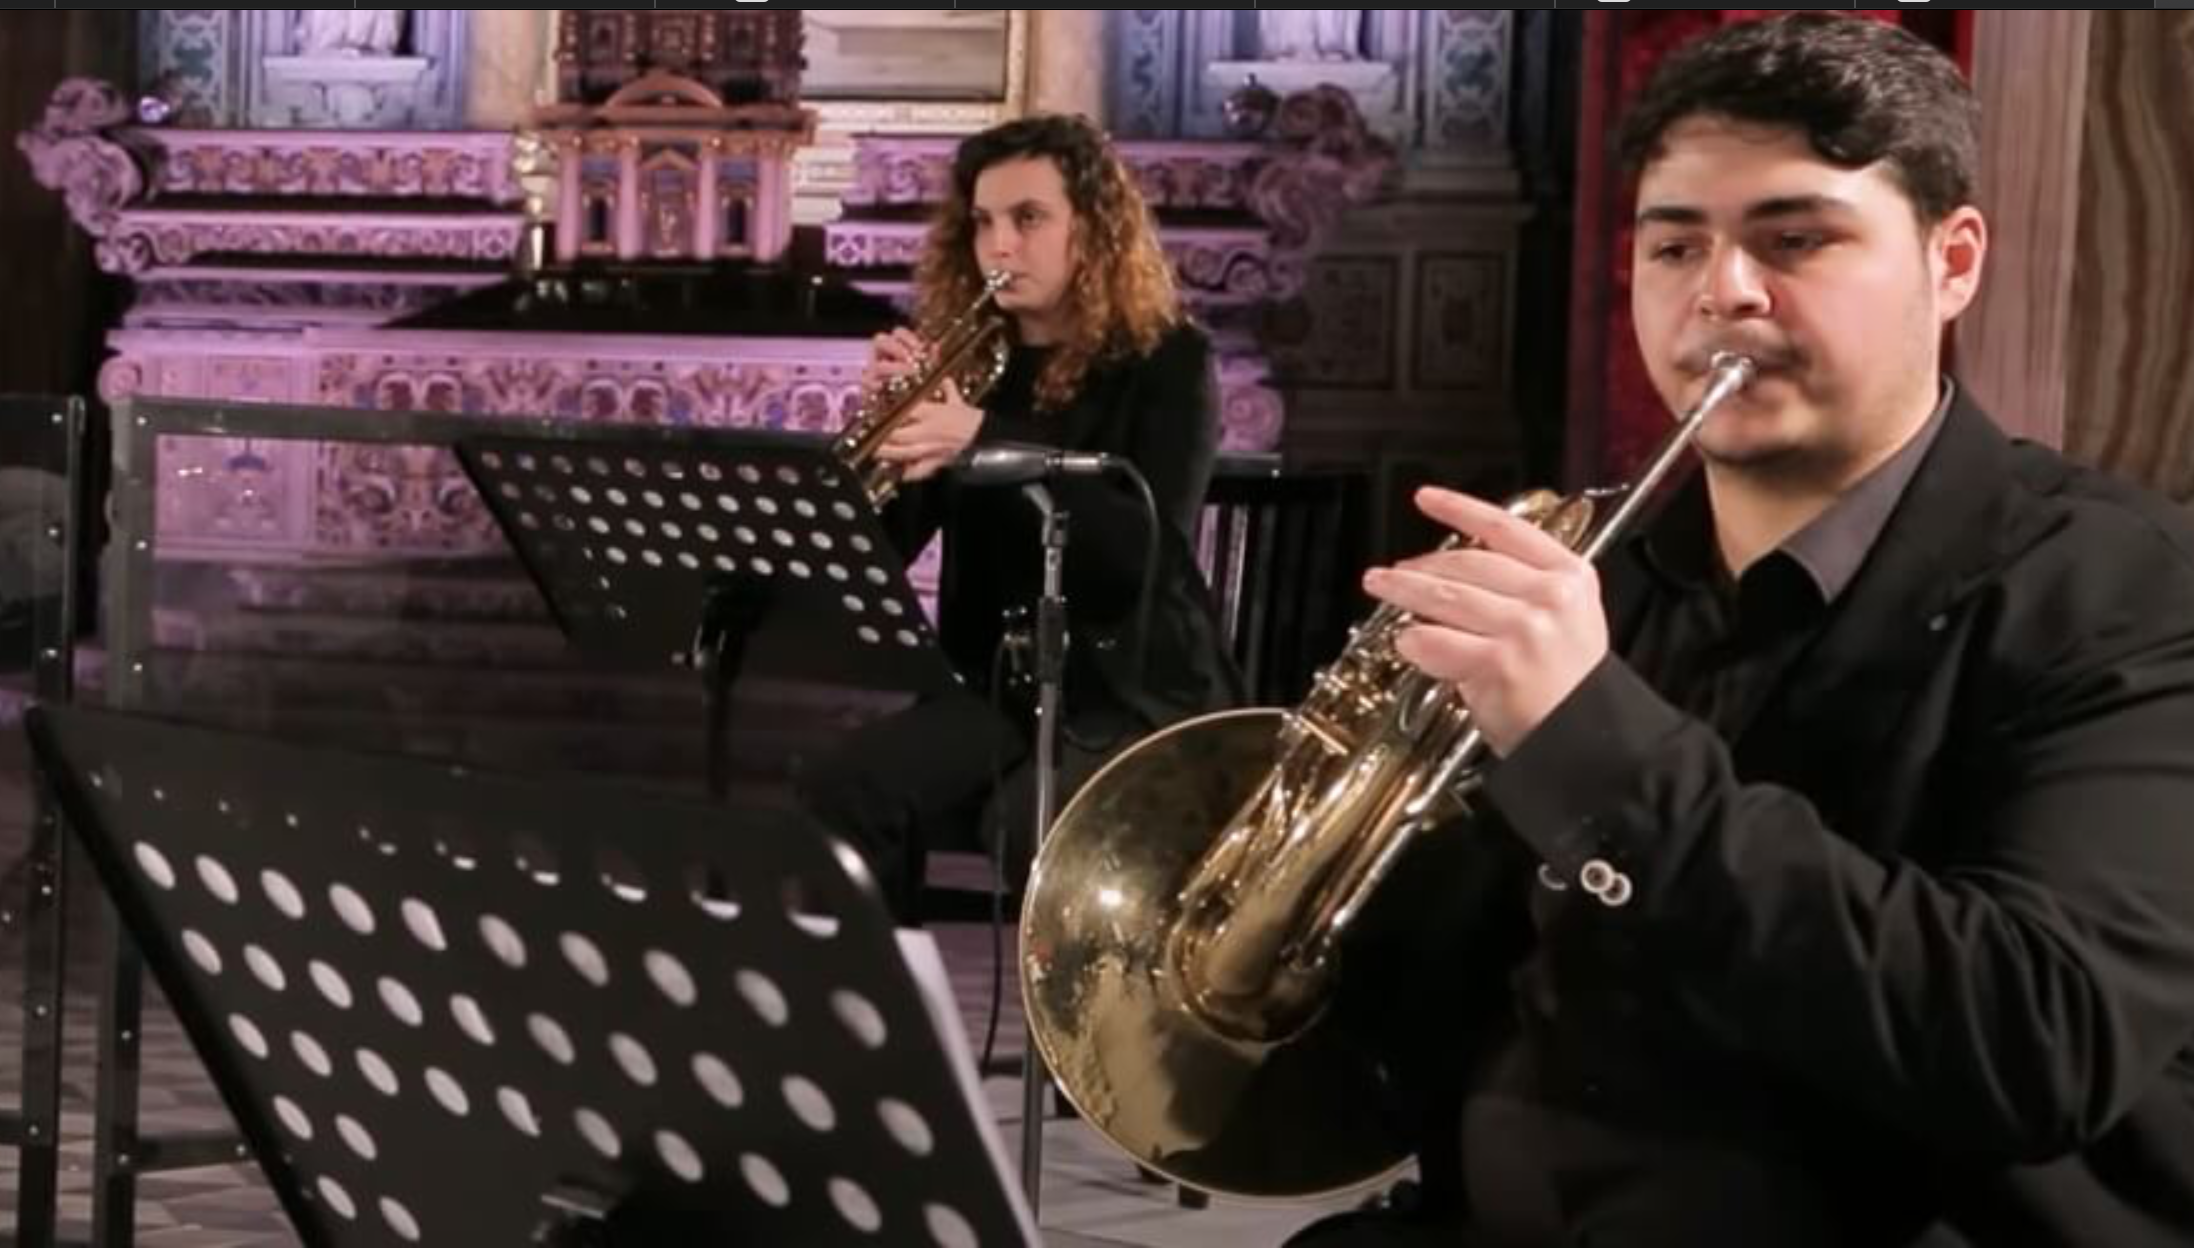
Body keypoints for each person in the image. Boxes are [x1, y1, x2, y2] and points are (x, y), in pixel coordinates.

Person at [1296, 14, 2194, 1245]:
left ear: (1953, 262)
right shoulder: (1607, 576)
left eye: (1795, 238)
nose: (1720, 290)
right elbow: (1472, 1021)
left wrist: (1590, 745)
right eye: (1674, 245)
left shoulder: (2121, 589)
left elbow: (2033, 1038)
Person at [795, 114, 1242, 925]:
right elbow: (886, 552)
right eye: (983, 222)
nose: (999, 245)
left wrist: (981, 439)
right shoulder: (972, 365)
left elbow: (1140, 550)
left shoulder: (1167, 361)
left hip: (1127, 686)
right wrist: (889, 439)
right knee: (844, 789)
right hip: (998, 684)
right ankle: (897, 996)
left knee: (1025, 827)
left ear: (1091, 230)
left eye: (1028, 218)